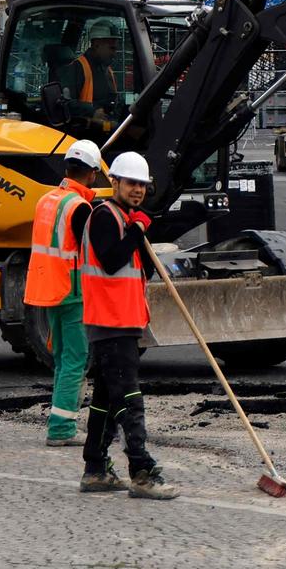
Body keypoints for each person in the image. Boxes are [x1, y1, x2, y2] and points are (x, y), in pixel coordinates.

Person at [76, 150, 173, 499]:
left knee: (105, 398)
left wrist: (141, 232)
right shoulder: (104, 216)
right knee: (128, 397)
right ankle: (142, 470)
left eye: (142, 185)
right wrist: (138, 228)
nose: (138, 190)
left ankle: (95, 468)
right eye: (131, 183)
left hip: (125, 322)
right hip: (110, 322)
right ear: (114, 181)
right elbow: (113, 260)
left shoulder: (125, 218)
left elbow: (139, 271)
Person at [24, 139, 103, 445]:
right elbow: (92, 250)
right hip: (71, 291)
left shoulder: (47, 200)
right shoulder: (79, 207)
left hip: (47, 288)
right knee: (75, 359)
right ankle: (61, 429)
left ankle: (62, 419)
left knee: (62, 358)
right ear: (92, 174)